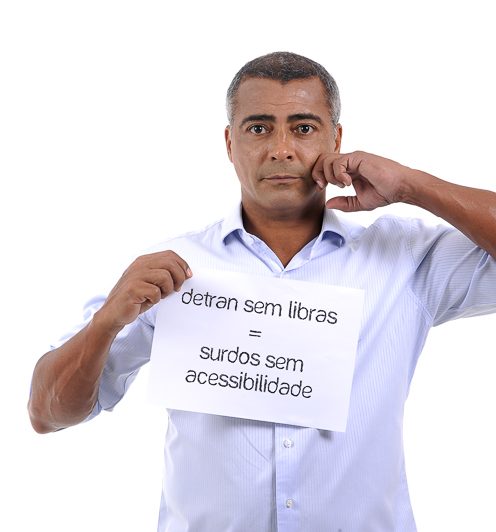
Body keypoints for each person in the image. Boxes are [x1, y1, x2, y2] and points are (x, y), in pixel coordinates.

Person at [28, 52, 496, 531]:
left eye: (303, 128)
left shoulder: (406, 258)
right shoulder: (169, 272)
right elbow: (47, 414)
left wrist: (412, 186)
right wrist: (106, 322)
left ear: (336, 140)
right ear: (230, 143)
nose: (281, 149)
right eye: (258, 128)